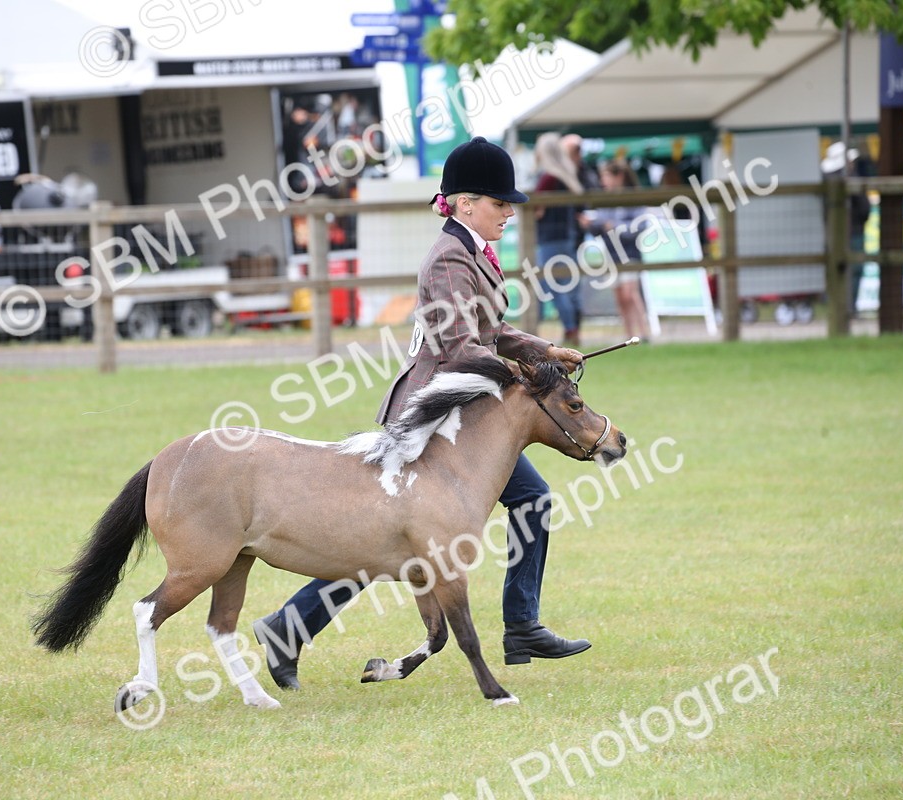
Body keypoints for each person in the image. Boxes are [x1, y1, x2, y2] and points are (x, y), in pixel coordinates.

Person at [252, 136, 591, 691]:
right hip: (434, 415)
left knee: (523, 500)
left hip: (465, 413)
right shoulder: (448, 259)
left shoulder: (471, 252)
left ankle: (521, 625)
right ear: (464, 203)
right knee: (381, 536)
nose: (509, 213)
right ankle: (289, 628)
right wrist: (529, 376)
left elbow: (490, 331)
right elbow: (460, 346)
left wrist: (544, 351)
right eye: (500, 203)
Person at [583, 161, 649, 341]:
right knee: (620, 296)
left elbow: (640, 225)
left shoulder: (633, 198)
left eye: (606, 176)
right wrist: (590, 224)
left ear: (618, 177)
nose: (602, 181)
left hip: (629, 253)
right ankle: (629, 335)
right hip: (611, 254)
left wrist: (614, 226)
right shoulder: (605, 200)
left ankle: (644, 333)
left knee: (630, 294)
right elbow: (599, 227)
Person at [533, 132, 584, 347]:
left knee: (553, 284)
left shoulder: (548, 178)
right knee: (566, 284)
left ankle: (570, 327)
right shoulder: (567, 175)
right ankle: (573, 327)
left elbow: (537, 210)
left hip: (550, 238)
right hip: (567, 236)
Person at [819, 141, 871, 316]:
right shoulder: (851, 179)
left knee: (834, 271)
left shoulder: (824, 181)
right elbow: (864, 207)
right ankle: (849, 308)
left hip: (831, 233)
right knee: (854, 271)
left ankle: (835, 308)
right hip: (853, 232)